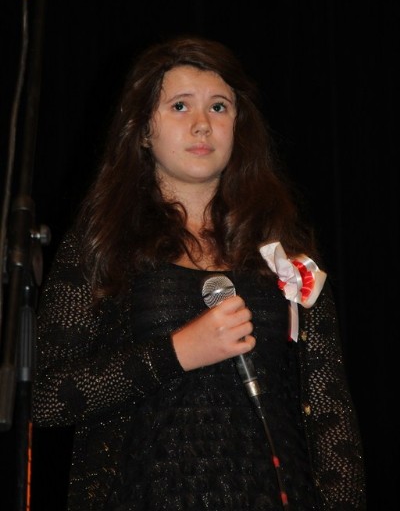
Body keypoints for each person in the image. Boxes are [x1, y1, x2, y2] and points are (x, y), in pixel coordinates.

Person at [32, 34, 366, 510]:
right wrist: (178, 352)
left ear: (238, 126)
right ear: (143, 130)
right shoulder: (101, 242)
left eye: (219, 107)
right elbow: (47, 397)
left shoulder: (284, 248)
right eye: (180, 106)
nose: (203, 125)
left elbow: (331, 414)